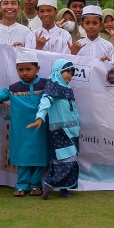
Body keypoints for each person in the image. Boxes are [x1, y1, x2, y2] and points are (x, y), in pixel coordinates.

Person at [0, 50, 47, 195]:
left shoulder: (46, 85)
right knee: (22, 156)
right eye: (21, 70)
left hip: (41, 128)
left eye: (28, 69)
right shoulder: (14, 88)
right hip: (21, 130)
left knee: (40, 156)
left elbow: (61, 89)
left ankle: (36, 185)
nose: (25, 73)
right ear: (16, 70)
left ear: (37, 69)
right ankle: (21, 185)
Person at [31, 58, 82, 198]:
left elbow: (73, 111)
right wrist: (40, 117)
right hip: (60, 131)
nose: (70, 75)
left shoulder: (67, 88)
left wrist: (78, 126)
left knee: (61, 160)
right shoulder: (52, 86)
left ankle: (63, 188)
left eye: (72, 73)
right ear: (58, 71)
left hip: (72, 131)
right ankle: (50, 183)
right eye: (67, 72)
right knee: (67, 159)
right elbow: (45, 102)